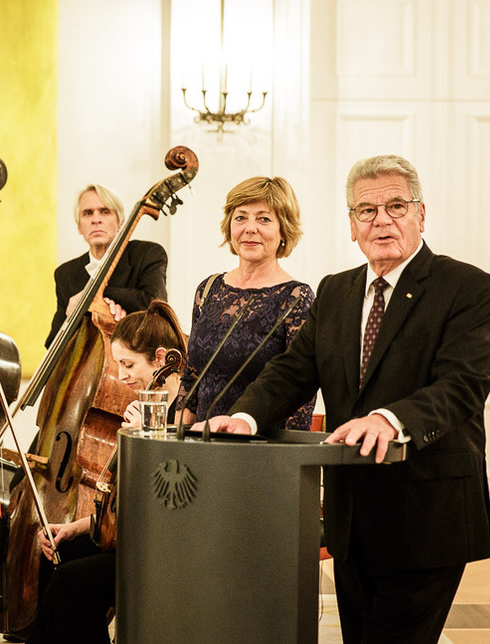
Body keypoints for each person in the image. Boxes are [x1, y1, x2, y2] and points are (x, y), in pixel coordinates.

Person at [204, 155, 490, 642]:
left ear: (421, 215)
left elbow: (463, 383)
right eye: (366, 210)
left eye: (396, 206)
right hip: (352, 516)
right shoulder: (336, 291)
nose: (381, 219)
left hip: (427, 514)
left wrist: (389, 419)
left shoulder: (466, 287)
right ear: (351, 225)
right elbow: (293, 371)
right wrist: (245, 416)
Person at [28, 300, 187, 644]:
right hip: (132, 536)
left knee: (72, 581)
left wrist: (150, 435)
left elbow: (165, 499)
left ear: (161, 358)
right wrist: (73, 528)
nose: (122, 375)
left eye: (128, 364)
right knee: (56, 554)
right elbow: (120, 503)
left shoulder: (186, 415)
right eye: (118, 365)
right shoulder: (142, 407)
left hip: (164, 548)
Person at [177, 176, 315, 427]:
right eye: (241, 217)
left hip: (258, 451)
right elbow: (191, 378)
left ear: (283, 229)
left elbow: (302, 394)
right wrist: (173, 437)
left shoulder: (296, 298)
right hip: (202, 444)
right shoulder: (208, 289)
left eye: (264, 219)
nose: (250, 228)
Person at [45, 184, 167, 348]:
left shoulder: (147, 254)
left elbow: (155, 305)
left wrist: (89, 296)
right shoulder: (66, 274)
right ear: (79, 227)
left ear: (121, 223)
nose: (96, 219)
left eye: (105, 211)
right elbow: (52, 342)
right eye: (88, 213)